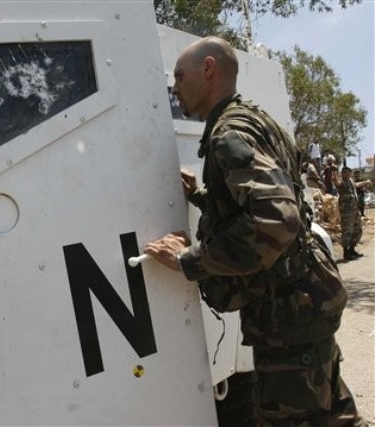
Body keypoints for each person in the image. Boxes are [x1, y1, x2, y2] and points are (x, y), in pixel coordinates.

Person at [145, 36, 364, 425]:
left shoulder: (229, 135)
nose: (175, 86)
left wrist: (188, 260)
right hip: (308, 298)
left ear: (208, 69)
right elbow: (268, 200)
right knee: (334, 415)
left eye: (180, 76)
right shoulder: (255, 119)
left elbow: (276, 221)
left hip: (286, 315)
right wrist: (200, 196)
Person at [333, 166, 372, 260]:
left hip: (355, 211)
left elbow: (357, 185)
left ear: (350, 173)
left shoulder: (350, 181)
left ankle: (352, 249)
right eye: (343, 172)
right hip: (347, 212)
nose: (344, 174)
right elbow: (337, 183)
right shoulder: (342, 182)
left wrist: (366, 182)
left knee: (358, 230)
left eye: (346, 172)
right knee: (347, 231)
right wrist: (334, 173)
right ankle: (346, 253)